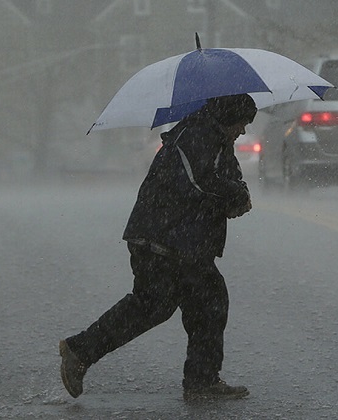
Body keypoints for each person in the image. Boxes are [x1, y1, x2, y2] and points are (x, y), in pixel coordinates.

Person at [59, 94, 257, 399]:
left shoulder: (217, 140)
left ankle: (201, 381)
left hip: (184, 242)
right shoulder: (195, 133)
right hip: (161, 238)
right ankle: (81, 351)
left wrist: (238, 195)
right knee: (167, 304)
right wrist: (231, 194)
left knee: (200, 303)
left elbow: (229, 178)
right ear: (229, 117)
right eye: (242, 123)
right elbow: (200, 181)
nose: (242, 131)